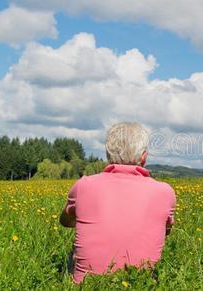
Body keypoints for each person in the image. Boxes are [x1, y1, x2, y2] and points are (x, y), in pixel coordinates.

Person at [59, 122, 176, 284]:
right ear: (144, 157)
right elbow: (166, 231)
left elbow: (64, 222)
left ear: (108, 154)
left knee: (75, 248)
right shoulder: (165, 192)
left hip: (87, 286)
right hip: (142, 284)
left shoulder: (84, 185)